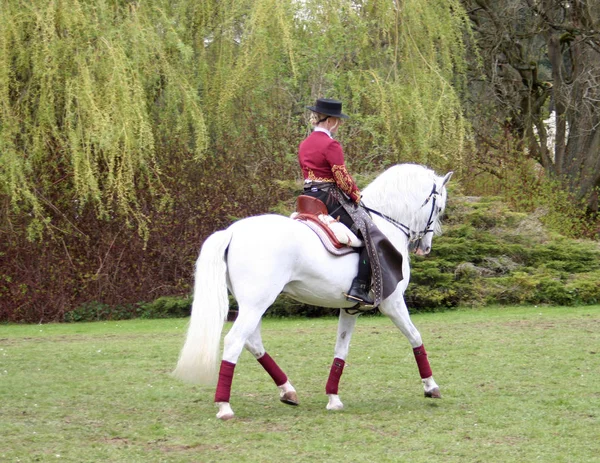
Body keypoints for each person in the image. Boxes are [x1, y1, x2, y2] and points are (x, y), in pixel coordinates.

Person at [298, 98, 373, 305]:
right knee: (368, 232)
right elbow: (341, 177)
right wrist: (356, 195)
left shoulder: (304, 144)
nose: (339, 125)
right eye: (338, 121)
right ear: (330, 121)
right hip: (328, 198)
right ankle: (360, 286)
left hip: (308, 196)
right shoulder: (331, 145)